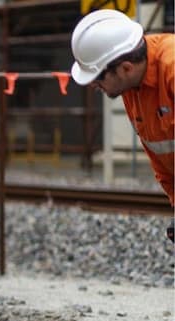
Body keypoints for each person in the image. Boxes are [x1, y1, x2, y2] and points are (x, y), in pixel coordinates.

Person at [70, 8, 174, 238]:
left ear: (125, 68)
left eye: (97, 78)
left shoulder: (171, 67)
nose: (92, 86)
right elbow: (162, 159)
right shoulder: (131, 87)